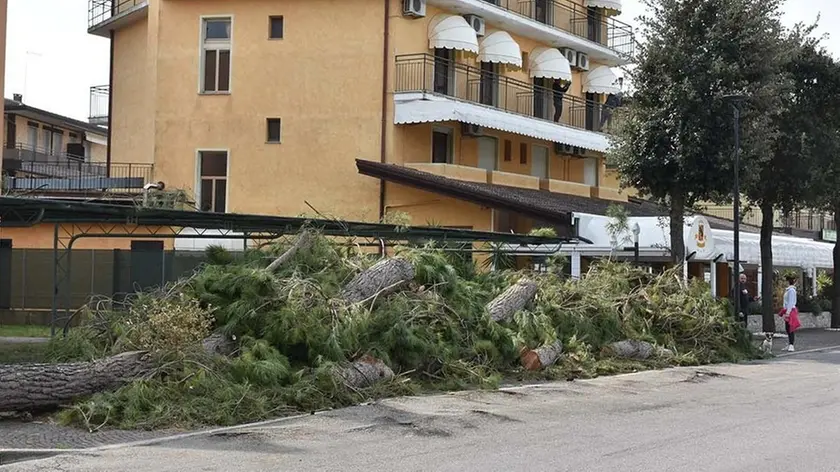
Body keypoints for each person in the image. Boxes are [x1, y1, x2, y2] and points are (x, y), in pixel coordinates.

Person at [779, 275, 801, 352]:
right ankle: (789, 344)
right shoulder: (788, 290)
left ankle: (791, 345)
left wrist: (787, 313)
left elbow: (791, 302)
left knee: (790, 328)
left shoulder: (791, 290)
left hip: (790, 310)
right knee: (788, 328)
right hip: (788, 310)